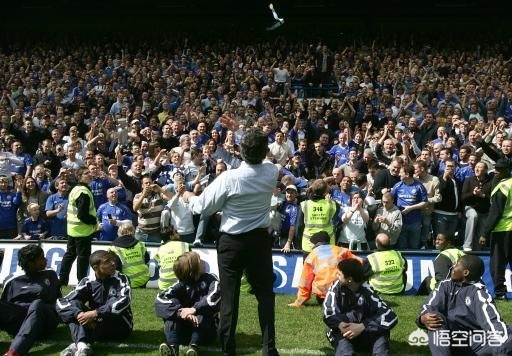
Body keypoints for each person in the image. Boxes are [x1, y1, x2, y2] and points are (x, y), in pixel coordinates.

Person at [185, 128, 280, 356]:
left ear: (240, 151)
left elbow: (203, 207)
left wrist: (188, 198)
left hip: (232, 243)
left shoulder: (229, 178)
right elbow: (257, 155)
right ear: (264, 151)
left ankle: (228, 349)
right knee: (265, 296)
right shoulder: (271, 171)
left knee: (229, 298)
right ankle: (269, 348)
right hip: (259, 241)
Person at [416, 254, 512, 355]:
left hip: (476, 343)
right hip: (447, 340)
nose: (452, 267)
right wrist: (422, 319)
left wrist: (502, 345)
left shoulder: (479, 292)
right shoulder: (445, 285)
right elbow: (428, 307)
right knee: (434, 317)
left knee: (507, 333)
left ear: (465, 273)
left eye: (457, 265)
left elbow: (492, 322)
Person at [57, 250, 133, 356]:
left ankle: (76, 346)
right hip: (93, 321)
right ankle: (82, 347)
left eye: (112, 260)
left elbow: (124, 301)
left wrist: (95, 313)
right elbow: (63, 302)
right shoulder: (87, 281)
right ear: (96, 268)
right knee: (74, 305)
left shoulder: (121, 278)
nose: (113, 263)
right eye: (107, 261)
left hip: (120, 325)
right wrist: (78, 314)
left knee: (112, 301)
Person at [323, 258, 398, 355]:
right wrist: (340, 324)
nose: (336, 276)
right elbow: (328, 313)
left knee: (382, 334)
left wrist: (363, 326)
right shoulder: (336, 287)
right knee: (344, 348)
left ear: (349, 279)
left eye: (339, 274)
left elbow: (391, 315)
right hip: (343, 331)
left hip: (366, 331)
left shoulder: (367, 290)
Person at [155, 251, 221, 356]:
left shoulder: (211, 280)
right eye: (200, 261)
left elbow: (215, 298)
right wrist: (180, 312)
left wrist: (194, 309)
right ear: (193, 270)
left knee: (202, 314)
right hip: (184, 331)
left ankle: (194, 347)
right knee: (171, 317)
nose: (203, 262)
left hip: (206, 332)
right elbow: (160, 300)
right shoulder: (180, 284)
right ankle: (172, 348)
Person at [0, 244, 61, 356]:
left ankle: (15, 352)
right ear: (30, 263)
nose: (45, 260)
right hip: (20, 320)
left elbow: (57, 302)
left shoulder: (50, 274)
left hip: (44, 321)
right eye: (41, 258)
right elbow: (6, 306)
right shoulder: (12, 279)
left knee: (36, 304)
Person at [288, 231, 359, 307]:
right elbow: (360, 262)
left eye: (310, 243)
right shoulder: (341, 250)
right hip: (343, 292)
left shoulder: (311, 256)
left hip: (324, 297)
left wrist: (299, 301)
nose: (309, 245)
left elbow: (305, 282)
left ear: (316, 243)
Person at [59, 167, 98, 286]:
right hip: (82, 231)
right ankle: (81, 281)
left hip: (72, 230)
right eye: (86, 173)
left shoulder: (75, 189)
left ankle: (62, 279)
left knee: (70, 254)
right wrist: (94, 222)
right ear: (79, 177)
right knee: (83, 257)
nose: (90, 174)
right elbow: (82, 214)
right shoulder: (83, 192)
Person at [480, 159, 512, 300]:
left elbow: (496, 213)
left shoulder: (503, 187)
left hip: (502, 229)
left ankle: (500, 293)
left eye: (500, 169)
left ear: (507, 170)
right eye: (496, 168)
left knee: (497, 264)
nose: (497, 171)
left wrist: (485, 233)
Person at [297, 178, 338, 252]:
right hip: (327, 244)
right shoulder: (332, 204)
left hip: (308, 245)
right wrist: (330, 201)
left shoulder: (304, 205)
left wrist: (298, 242)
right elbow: (336, 221)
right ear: (325, 192)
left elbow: (299, 226)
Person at [108, 222, 150, 288]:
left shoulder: (114, 248)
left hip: (126, 281)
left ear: (119, 232)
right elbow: (147, 259)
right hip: (143, 278)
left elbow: (115, 267)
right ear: (133, 232)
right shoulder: (140, 244)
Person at [0, 175, 22, 239]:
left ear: (8, 183)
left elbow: (17, 203)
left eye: (5, 182)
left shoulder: (12, 194)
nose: (3, 184)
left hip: (11, 228)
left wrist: (18, 191)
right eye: (1, 182)